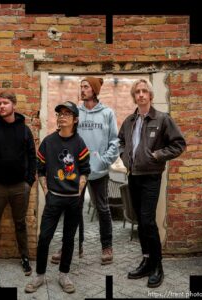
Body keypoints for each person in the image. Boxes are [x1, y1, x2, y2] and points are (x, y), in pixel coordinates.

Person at [118, 78, 186, 288]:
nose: (140, 94)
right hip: (134, 175)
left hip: (151, 177)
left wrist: (157, 155)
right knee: (140, 221)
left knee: (148, 221)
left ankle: (158, 266)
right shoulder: (130, 120)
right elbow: (120, 140)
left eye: (144, 91)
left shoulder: (162, 119)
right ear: (134, 96)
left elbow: (179, 144)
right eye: (137, 92)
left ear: (150, 95)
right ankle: (146, 260)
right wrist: (123, 154)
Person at [52, 77, 119, 265]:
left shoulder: (107, 113)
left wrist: (105, 160)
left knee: (103, 209)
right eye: (81, 87)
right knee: (73, 208)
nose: (82, 90)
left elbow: (115, 141)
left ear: (95, 90)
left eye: (86, 86)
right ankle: (69, 246)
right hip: (77, 171)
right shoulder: (76, 113)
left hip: (98, 171)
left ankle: (107, 246)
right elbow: (67, 136)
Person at [25, 101, 90, 294]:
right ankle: (40, 275)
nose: (62, 116)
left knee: (68, 239)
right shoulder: (48, 142)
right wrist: (47, 193)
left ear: (75, 120)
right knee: (44, 237)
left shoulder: (79, 143)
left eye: (67, 114)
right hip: (54, 197)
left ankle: (64, 274)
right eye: (60, 113)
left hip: (74, 199)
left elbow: (86, 170)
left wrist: (79, 194)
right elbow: (40, 169)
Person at [0, 91, 36, 276]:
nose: (1, 106)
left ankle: (25, 257)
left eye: (5, 103)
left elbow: (31, 156)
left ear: (14, 105)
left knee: (20, 223)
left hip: (20, 186)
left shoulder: (24, 129)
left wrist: (29, 181)